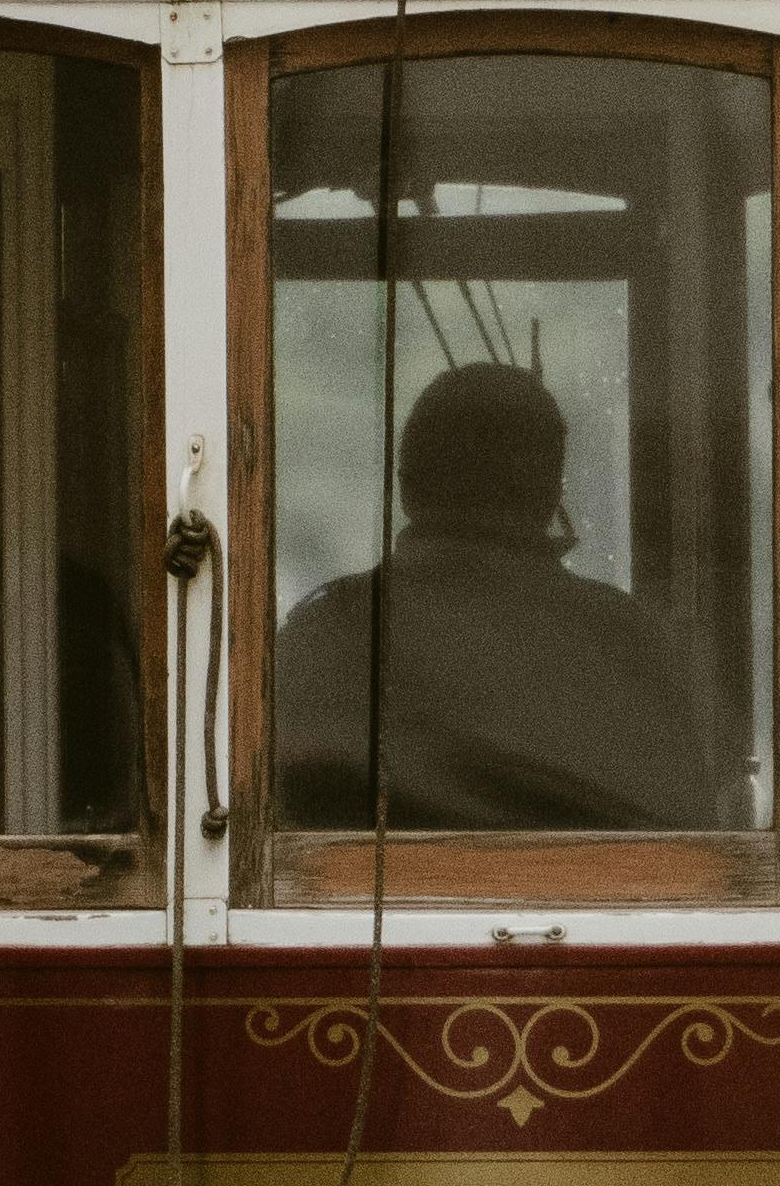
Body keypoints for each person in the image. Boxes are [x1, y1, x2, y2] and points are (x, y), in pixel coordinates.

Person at [273, 356, 724, 832]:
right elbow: (695, 838)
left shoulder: (321, 635)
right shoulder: (633, 645)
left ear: (405, 488)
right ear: (550, 493)